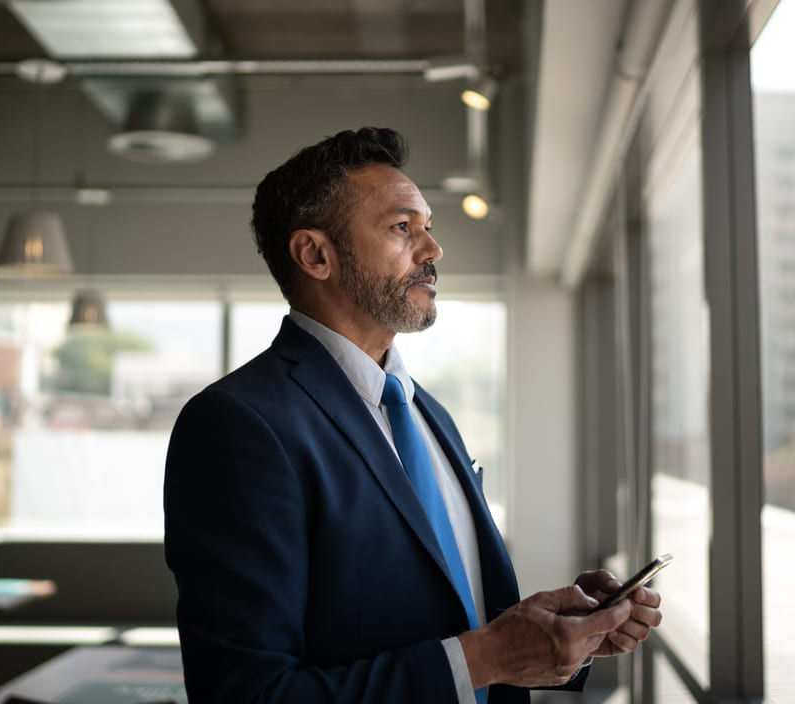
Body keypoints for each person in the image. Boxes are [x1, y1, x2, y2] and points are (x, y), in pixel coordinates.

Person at [164, 127, 662, 703]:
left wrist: (560, 635)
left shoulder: (429, 413)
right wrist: (486, 657)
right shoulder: (238, 425)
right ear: (315, 254)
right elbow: (246, 695)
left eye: (428, 227)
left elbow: (455, 617)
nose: (433, 250)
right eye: (403, 228)